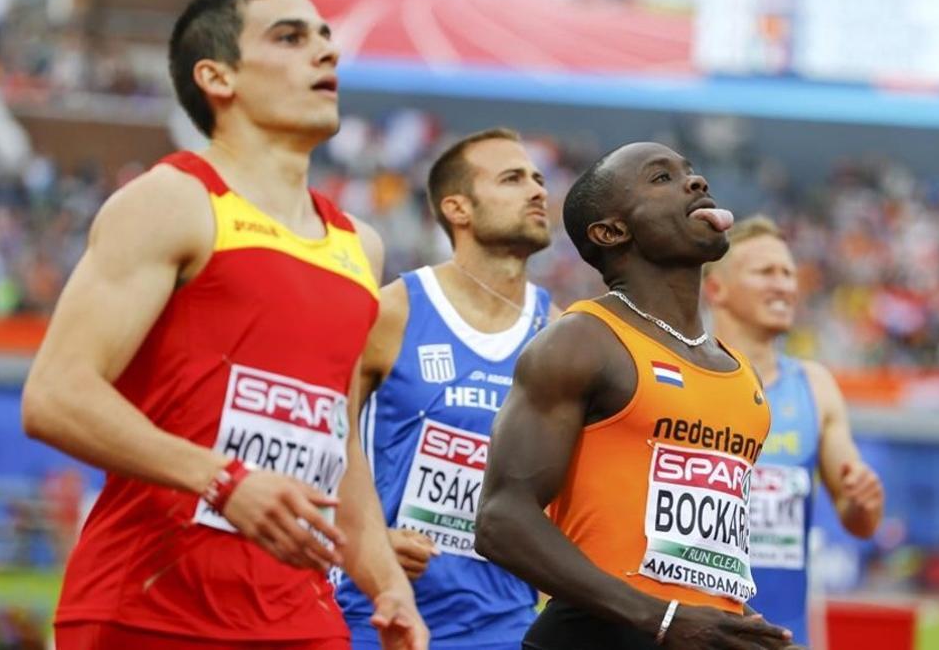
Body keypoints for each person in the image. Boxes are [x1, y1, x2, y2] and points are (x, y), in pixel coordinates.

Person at [20, 0, 426, 648]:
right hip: (148, 608)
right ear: (218, 77)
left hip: (299, 615)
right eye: (290, 37)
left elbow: (337, 439)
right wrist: (225, 479)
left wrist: (387, 584)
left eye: (324, 37)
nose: (325, 52)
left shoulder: (362, 246)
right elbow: (55, 394)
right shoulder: (173, 201)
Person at [475, 142, 797, 649]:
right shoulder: (581, 341)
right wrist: (662, 618)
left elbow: (693, 556)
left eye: (692, 172)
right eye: (662, 179)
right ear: (611, 231)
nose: (696, 183)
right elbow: (500, 520)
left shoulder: (742, 377)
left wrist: (746, 629)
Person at [335, 128, 556, 649]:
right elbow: (317, 441)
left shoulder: (560, 335)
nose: (537, 190)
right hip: (374, 617)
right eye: (513, 178)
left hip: (503, 626)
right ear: (458, 208)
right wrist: (367, 538)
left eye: (539, 179)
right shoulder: (391, 312)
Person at [702, 215, 885, 647]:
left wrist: (864, 499)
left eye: (788, 273)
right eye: (766, 272)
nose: (784, 285)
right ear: (717, 289)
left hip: (783, 637)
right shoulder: (682, 375)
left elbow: (860, 519)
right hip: (694, 635)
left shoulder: (815, 386)